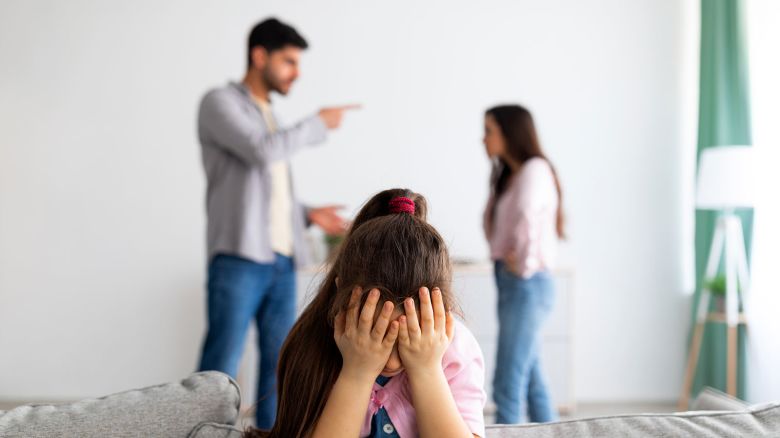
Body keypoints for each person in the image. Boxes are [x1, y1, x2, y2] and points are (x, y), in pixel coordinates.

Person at [196, 17, 357, 428]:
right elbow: (260, 152)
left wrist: (307, 213)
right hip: (238, 258)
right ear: (259, 55)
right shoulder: (220, 103)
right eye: (289, 61)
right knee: (219, 370)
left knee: (281, 366)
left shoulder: (270, 114)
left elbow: (266, 190)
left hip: (281, 262)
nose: (296, 73)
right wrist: (318, 123)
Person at [245, 189, 487, 437]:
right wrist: (357, 372)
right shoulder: (310, 347)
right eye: (377, 332)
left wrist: (426, 370)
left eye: (408, 338)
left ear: (442, 313)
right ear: (342, 302)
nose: (391, 361)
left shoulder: (456, 350)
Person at [482, 105, 565, 424]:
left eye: (489, 130)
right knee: (531, 381)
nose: (483, 138)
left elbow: (530, 216)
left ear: (509, 132)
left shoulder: (534, 170)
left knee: (507, 383)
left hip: (527, 283)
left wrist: (524, 263)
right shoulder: (510, 174)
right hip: (512, 280)